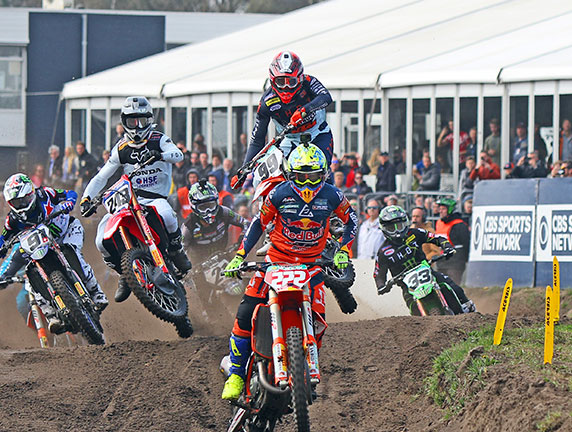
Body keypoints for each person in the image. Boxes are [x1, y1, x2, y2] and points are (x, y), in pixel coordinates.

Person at [219, 142, 357, 402]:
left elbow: (351, 219)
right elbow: (258, 224)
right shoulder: (279, 194)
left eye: (313, 175)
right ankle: (236, 373)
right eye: (302, 176)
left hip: (311, 264)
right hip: (276, 261)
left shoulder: (332, 195)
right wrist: (239, 255)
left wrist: (344, 250)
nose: (307, 182)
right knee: (245, 312)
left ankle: (307, 373)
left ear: (323, 173)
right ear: (291, 174)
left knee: (317, 321)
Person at [80, 96, 192, 302]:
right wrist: (86, 198)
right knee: (100, 239)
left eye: (142, 120)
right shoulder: (121, 148)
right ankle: (125, 273)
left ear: (149, 120)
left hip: (155, 197)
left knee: (168, 214)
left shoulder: (159, 139)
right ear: (124, 122)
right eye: (133, 121)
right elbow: (101, 176)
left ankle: (176, 251)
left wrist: (160, 155)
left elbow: (178, 155)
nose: (138, 126)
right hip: (129, 199)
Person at [0, 173, 108, 326]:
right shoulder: (12, 219)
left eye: (23, 199)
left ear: (30, 193)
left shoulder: (44, 193)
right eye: (16, 202)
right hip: (41, 246)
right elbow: (3, 237)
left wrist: (70, 202)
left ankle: (96, 292)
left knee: (73, 253)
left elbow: (70, 194)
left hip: (67, 232)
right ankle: (51, 315)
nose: (21, 204)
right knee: (31, 275)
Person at [240, 51, 333, 172]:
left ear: (299, 79)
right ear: (273, 81)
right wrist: (244, 169)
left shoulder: (309, 81)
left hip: (317, 134)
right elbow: (257, 139)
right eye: (281, 82)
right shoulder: (266, 102)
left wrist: (305, 110)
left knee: (319, 170)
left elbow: (326, 97)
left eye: (291, 82)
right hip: (289, 140)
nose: (286, 88)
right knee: (263, 176)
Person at [374, 206, 475, 314]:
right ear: (384, 228)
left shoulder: (415, 233)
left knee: (453, 286)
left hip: (428, 273)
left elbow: (437, 238)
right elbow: (378, 273)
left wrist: (447, 247)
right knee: (414, 311)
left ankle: (469, 308)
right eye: (391, 228)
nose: (397, 230)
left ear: (405, 223)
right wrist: (382, 286)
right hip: (407, 286)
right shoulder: (383, 252)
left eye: (399, 226)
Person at [183, 180, 248, 306]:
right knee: (204, 297)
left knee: (243, 278)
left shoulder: (224, 212)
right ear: (194, 206)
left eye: (211, 205)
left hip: (224, 254)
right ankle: (209, 320)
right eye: (203, 207)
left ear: (216, 202)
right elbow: (181, 249)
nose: (208, 211)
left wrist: (242, 236)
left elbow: (245, 223)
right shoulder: (188, 226)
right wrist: (186, 268)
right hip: (200, 266)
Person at [433, 197, 470, 284]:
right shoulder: (439, 223)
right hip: (441, 261)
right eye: (440, 209)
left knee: (454, 286)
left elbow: (466, 243)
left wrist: (464, 260)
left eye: (443, 209)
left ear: (450, 210)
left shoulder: (459, 225)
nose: (440, 211)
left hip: (455, 262)